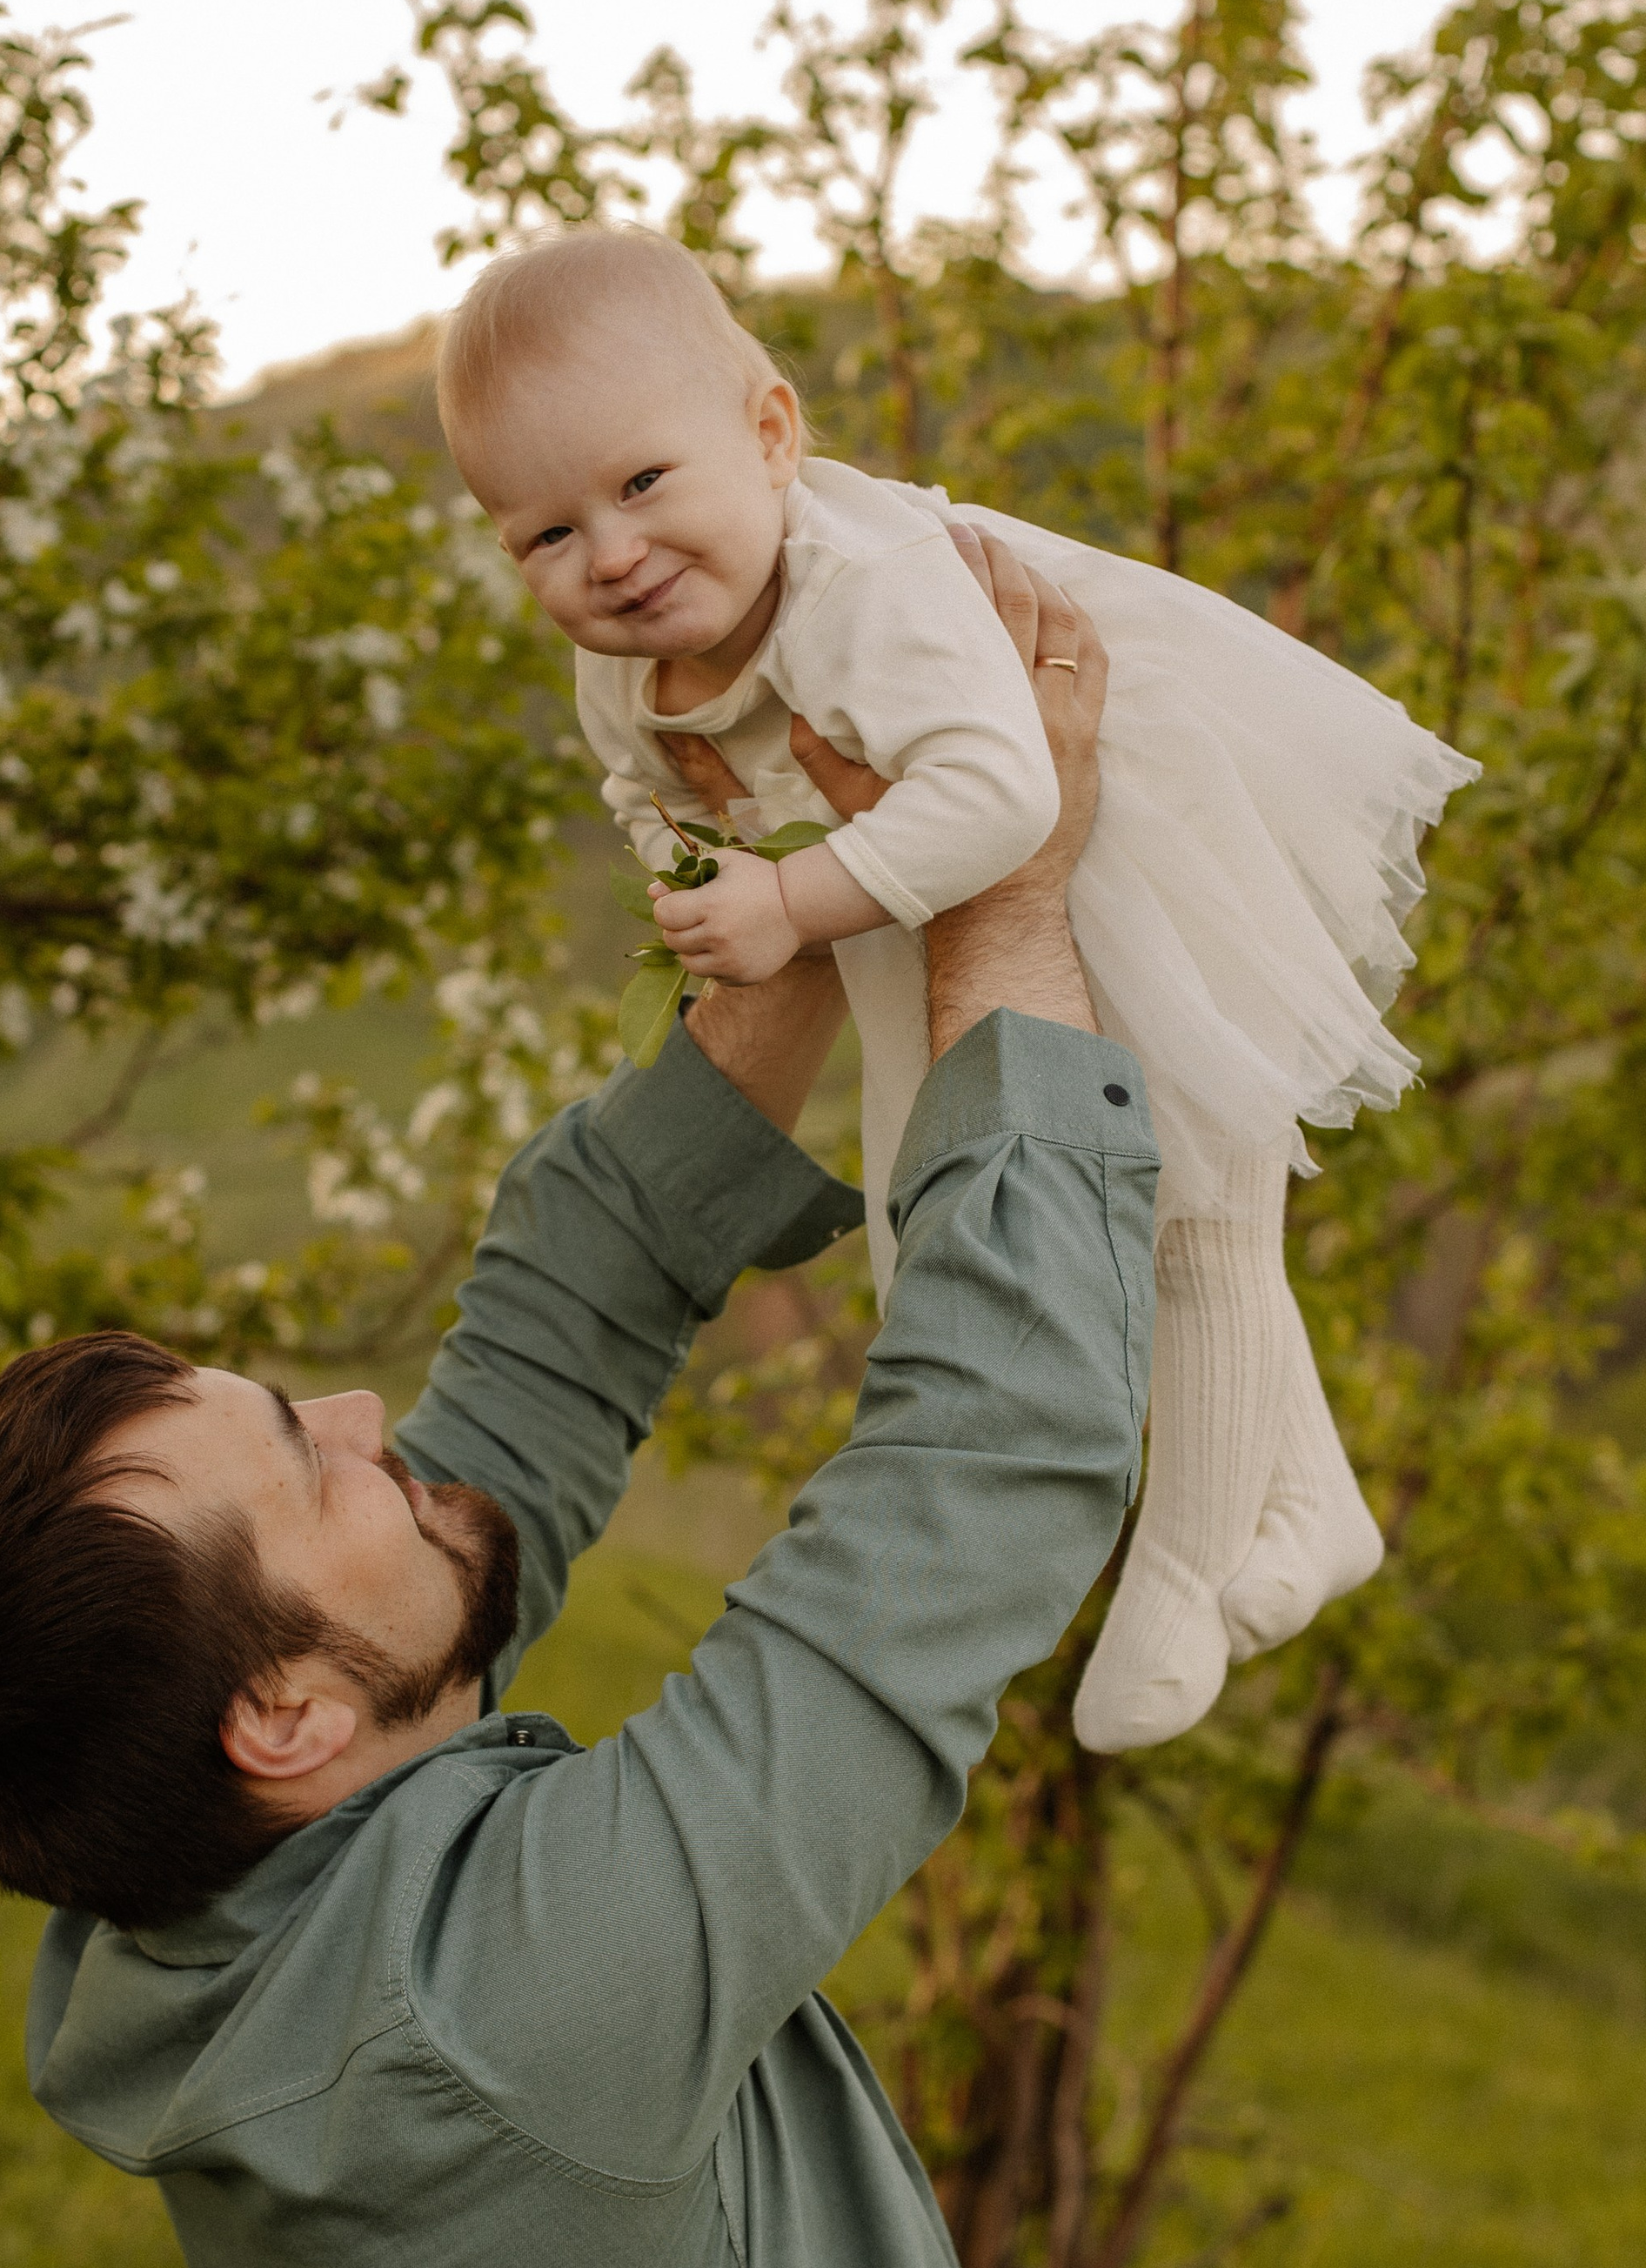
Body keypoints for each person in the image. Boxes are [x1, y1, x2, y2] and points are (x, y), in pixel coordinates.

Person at [0, 542, 1143, 2268]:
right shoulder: (505, 2013)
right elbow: (983, 1473)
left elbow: (553, 1323)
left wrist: (800, 863)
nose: (366, 1421)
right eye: (299, 1459)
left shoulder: (204, 1892)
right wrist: (1009, 898)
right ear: (285, 1713)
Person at [435, 229, 1477, 1753]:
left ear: (772, 433)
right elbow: (646, 784)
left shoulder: (863, 587)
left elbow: (1005, 795)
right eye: (545, 535)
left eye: (644, 484)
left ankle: (1185, 1570)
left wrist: (785, 896)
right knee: (942, 1202)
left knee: (1192, 1190)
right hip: (904, 894)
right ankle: (1310, 1506)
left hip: (1123, 837)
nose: (608, 554)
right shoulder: (631, 655)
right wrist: (693, 866)